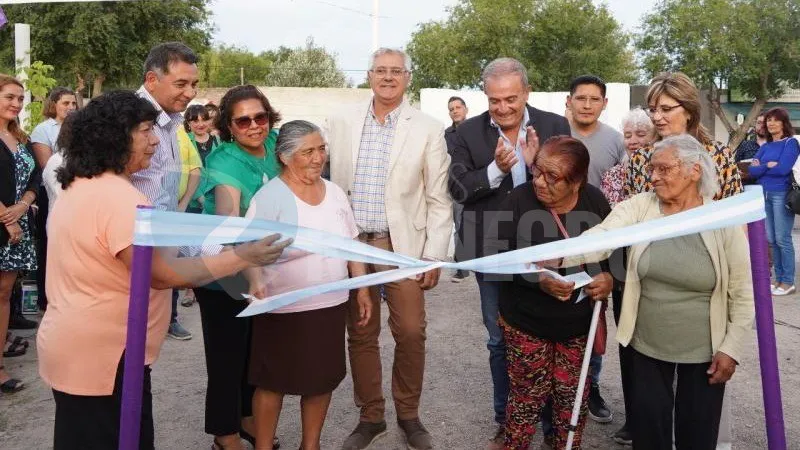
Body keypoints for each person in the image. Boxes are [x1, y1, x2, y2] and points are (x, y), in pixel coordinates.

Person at [37, 90, 291, 450]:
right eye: (145, 130)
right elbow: (162, 273)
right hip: (105, 359)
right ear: (116, 136)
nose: (155, 140)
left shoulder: (84, 185)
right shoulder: (118, 198)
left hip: (87, 351)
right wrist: (243, 256)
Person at [548, 134, 754, 450]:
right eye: (652, 169)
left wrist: (732, 347)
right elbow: (602, 236)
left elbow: (741, 291)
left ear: (694, 171)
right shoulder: (641, 207)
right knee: (648, 433)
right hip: (646, 345)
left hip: (705, 350)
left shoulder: (721, 220)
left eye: (663, 169)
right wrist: (561, 255)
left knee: (698, 434)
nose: (653, 177)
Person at [327, 48, 452, 450]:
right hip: (355, 245)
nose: (387, 77)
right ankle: (371, 417)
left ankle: (409, 416)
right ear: (368, 75)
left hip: (403, 248)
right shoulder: (341, 121)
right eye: (380, 70)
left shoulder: (428, 128)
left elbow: (438, 198)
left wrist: (434, 255)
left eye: (396, 71)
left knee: (412, 332)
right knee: (361, 333)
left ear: (408, 78)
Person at [447, 57, 570, 449]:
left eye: (510, 99)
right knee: (500, 340)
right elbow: (459, 189)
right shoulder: (465, 132)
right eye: (494, 100)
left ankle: (552, 426)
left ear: (527, 93)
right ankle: (507, 421)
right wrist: (496, 171)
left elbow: (568, 186)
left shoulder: (554, 126)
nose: (502, 108)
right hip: (491, 252)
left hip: (544, 248)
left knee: (549, 334)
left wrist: (537, 169)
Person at [244, 120, 373, 450]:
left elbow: (350, 242)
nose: (318, 158)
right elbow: (248, 252)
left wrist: (360, 287)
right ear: (286, 158)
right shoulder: (270, 197)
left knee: (320, 379)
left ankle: (310, 445)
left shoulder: (335, 193)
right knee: (273, 381)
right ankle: (262, 445)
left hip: (329, 304)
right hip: (282, 307)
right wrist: (256, 285)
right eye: (308, 152)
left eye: (321, 149)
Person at [493, 136, 613, 449]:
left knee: (571, 395)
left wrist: (608, 279)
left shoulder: (596, 203)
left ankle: (565, 444)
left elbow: (616, 256)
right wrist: (537, 279)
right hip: (526, 322)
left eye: (553, 177)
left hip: (576, 325)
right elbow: (495, 258)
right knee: (526, 396)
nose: (540, 182)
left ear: (578, 182)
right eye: (537, 171)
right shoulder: (518, 201)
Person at [197, 84, 282, 450]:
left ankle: (247, 418)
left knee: (255, 352)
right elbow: (228, 222)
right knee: (226, 357)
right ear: (229, 126)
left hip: (263, 267)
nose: (253, 126)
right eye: (242, 120)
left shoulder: (278, 144)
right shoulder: (222, 161)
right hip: (224, 274)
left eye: (259, 117)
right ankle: (224, 433)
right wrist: (252, 270)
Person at [563, 73, 626, 426]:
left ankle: (591, 387)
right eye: (581, 98)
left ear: (604, 103)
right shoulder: (556, 134)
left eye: (594, 99)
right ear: (568, 101)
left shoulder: (616, 141)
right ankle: (557, 390)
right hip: (556, 236)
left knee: (594, 320)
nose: (587, 104)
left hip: (600, 241)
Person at [132, 41, 199, 341]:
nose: (191, 93)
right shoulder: (129, 120)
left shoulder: (171, 122)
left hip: (160, 247)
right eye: (181, 84)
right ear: (151, 80)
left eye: (195, 84)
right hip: (133, 254)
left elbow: (164, 193)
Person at [599, 106, 656, 445]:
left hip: (660, 271)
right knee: (629, 344)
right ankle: (635, 418)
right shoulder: (614, 175)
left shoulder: (667, 170)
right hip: (624, 272)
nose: (634, 141)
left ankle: (661, 418)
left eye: (642, 134)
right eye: (629, 134)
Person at [625, 72, 743, 200]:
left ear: (689, 111)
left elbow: (736, 210)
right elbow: (631, 213)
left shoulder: (719, 154)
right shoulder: (639, 159)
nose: (657, 117)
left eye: (666, 109)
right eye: (652, 110)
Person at [0, 74, 40, 393]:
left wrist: (24, 205)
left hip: (19, 224)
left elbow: (34, 180)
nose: (16, 103)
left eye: (20, 99)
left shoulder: (20, 136)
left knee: (4, 295)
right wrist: (7, 218)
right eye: (10, 97)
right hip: (5, 225)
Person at [29, 87, 77, 312]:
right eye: (65, 103)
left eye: (72, 103)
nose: (69, 107)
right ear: (54, 104)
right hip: (54, 193)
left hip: (72, 199)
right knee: (49, 249)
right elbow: (48, 168)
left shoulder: (76, 125)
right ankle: (46, 299)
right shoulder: (43, 129)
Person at [749, 107, 799, 296]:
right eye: (768, 120)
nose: (770, 123)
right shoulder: (766, 147)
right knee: (770, 239)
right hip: (764, 194)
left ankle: (788, 282)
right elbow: (752, 171)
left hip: (780, 194)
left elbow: (783, 169)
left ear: (783, 123)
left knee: (782, 239)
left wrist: (762, 167)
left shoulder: (790, 144)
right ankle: (778, 280)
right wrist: (767, 166)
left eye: (775, 120)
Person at [601, 107, 656, 207]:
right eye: (627, 136)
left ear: (654, 138)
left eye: (640, 135)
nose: (632, 141)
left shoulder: (660, 172)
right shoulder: (612, 176)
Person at [444, 96, 470, 283]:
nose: (455, 111)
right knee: (459, 225)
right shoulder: (446, 135)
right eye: (451, 108)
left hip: (478, 185)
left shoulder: (476, 129)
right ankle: (461, 268)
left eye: (458, 107)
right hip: (457, 188)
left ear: (465, 109)